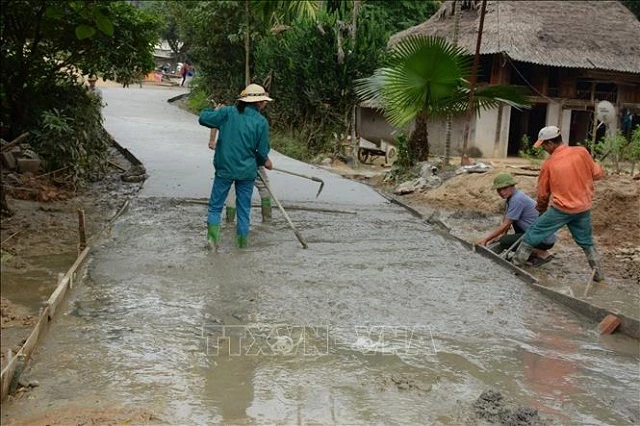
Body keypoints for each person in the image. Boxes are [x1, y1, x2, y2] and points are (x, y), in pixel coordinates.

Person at [512, 126, 605, 281]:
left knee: (532, 233)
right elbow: (597, 174)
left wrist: (540, 210)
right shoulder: (582, 152)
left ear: (550, 144)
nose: (544, 149)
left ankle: (515, 267)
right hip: (583, 208)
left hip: (562, 209)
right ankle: (599, 276)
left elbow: (543, 194)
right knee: (586, 242)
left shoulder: (549, 164)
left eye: (544, 146)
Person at [199, 84, 273, 249]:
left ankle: (212, 241)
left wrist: (216, 111)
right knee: (244, 209)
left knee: (215, 207)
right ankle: (241, 245)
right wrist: (264, 162)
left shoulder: (227, 113)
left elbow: (203, 118)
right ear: (259, 102)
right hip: (247, 172)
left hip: (224, 168)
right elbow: (261, 152)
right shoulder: (261, 122)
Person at [477, 173, 556, 266]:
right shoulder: (512, 198)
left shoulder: (517, 199)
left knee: (504, 241)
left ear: (513, 186)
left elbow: (506, 224)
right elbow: (508, 221)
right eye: (499, 190)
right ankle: (531, 254)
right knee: (504, 237)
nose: (502, 192)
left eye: (505, 188)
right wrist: (501, 235)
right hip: (536, 235)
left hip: (543, 239)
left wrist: (485, 240)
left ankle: (541, 254)